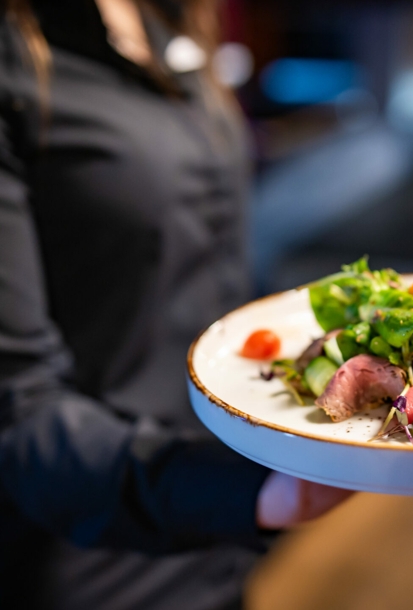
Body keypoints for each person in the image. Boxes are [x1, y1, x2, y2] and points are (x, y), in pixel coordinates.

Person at [0, 1, 351, 608]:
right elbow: (16, 408)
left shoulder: (163, 19)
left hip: (224, 544)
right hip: (96, 562)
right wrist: (244, 491)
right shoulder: (16, 58)